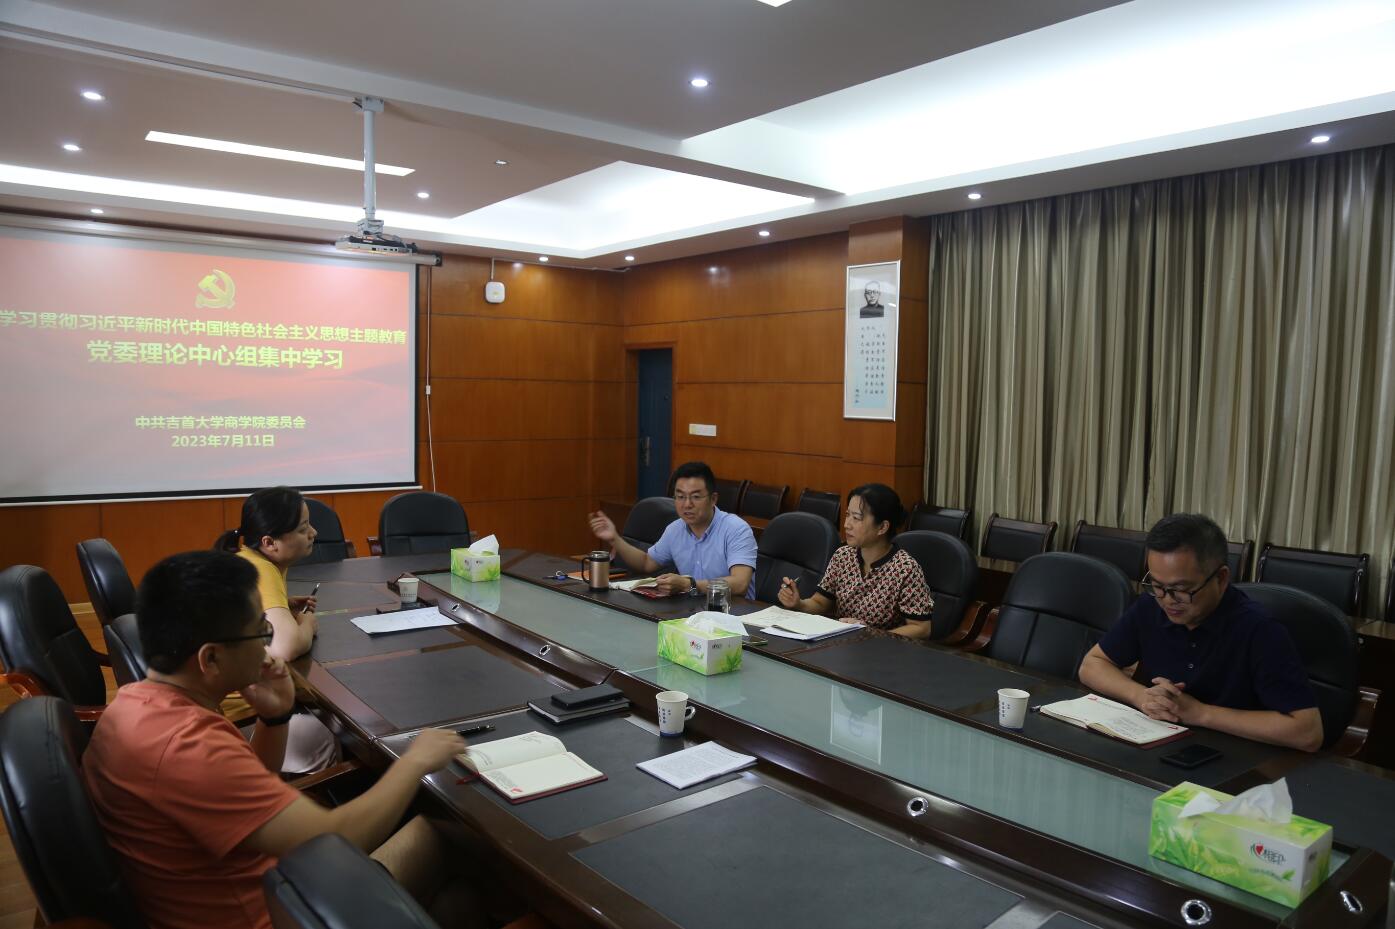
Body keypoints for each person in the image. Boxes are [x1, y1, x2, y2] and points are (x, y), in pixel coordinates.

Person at [83, 550, 486, 929]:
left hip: (267, 884)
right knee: (450, 836)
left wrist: (274, 719)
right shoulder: (189, 748)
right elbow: (334, 836)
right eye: (259, 632)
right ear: (210, 659)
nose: (267, 643)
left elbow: (240, 797)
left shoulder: (136, 704)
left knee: (460, 897)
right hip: (283, 912)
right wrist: (414, 761)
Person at [1078, 513, 1322, 751]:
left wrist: (1201, 713)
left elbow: (1307, 732)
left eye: (1181, 589)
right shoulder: (1150, 606)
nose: (1168, 600)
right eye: (1157, 585)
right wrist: (1141, 696)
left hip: (1236, 757)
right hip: (1160, 746)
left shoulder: (1260, 630)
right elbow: (1092, 665)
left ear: (1221, 579)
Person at [214, 486, 338, 774]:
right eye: (303, 528)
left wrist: (283, 604)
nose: (314, 533)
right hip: (241, 718)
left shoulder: (249, 558)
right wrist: (306, 624)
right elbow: (285, 647)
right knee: (328, 733)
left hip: (235, 705)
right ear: (269, 542)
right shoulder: (261, 570)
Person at [777, 483, 934, 637]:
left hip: (881, 650)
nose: (847, 525)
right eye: (847, 515)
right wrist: (799, 603)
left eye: (857, 518)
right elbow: (820, 602)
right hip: (840, 644)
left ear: (882, 527)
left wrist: (872, 635)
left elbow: (921, 628)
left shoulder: (905, 569)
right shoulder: (843, 555)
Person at [588, 461, 757, 598]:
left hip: (735, 614)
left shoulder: (736, 529)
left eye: (696, 497)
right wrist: (614, 539)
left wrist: (690, 584)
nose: (687, 504)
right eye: (680, 496)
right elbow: (646, 563)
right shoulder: (675, 529)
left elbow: (740, 583)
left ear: (713, 499)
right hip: (693, 612)